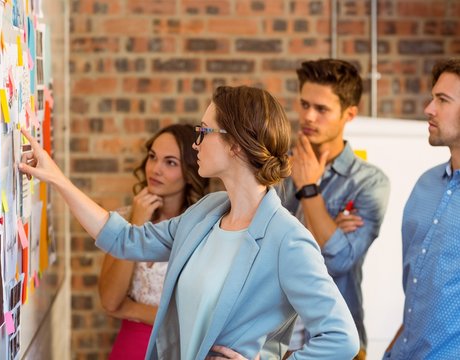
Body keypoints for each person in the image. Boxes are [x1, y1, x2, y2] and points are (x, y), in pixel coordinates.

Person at [19, 85, 359, 359]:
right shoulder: (207, 212)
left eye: (204, 131)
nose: (196, 142)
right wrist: (58, 180)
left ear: (235, 146)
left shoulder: (287, 240)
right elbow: (125, 239)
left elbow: (341, 338)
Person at [275, 59, 390, 360]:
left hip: (338, 340)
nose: (308, 116)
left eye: (322, 109)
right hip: (275, 338)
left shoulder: (369, 181)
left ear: (349, 114)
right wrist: (326, 228)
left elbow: (342, 259)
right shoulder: (277, 170)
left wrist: (309, 190)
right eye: (304, 104)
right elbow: (262, 248)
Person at [98, 124, 209, 359]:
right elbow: (109, 301)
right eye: (152, 157)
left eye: (170, 162)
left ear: (190, 173)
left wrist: (129, 308)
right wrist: (135, 225)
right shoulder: (124, 218)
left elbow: (195, 318)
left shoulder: (202, 231)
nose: (155, 169)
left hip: (175, 350)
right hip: (127, 348)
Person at [383, 58, 460, 359]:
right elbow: (420, 296)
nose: (429, 108)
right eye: (433, 97)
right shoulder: (425, 186)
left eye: (443, 100)